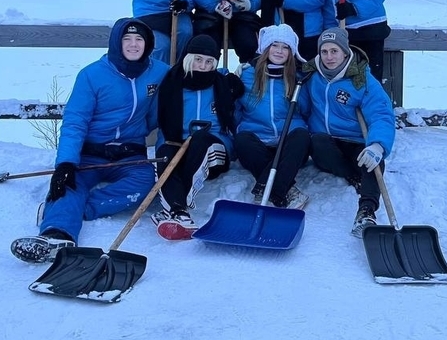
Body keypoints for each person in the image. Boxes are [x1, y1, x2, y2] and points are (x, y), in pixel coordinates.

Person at [11, 18, 169, 263]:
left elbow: (183, 89)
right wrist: (66, 163)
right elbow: (75, 122)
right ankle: (57, 233)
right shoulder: (92, 75)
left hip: (130, 154)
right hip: (90, 152)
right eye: (127, 39)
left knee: (144, 185)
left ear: (148, 44)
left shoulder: (159, 72)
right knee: (69, 184)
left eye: (139, 39)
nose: (134, 44)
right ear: (117, 43)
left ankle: (67, 209)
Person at [300, 27, 395, 237]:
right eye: (324, 51)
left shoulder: (362, 79)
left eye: (334, 51)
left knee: (373, 160)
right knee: (318, 142)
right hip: (327, 145)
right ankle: (353, 175)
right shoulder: (311, 76)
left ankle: (367, 210)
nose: (329, 57)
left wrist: (377, 145)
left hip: (355, 141)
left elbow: (381, 114)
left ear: (345, 52)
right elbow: (301, 108)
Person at [152, 34, 244, 240]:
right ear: (188, 58)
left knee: (201, 139)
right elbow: (163, 124)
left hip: (216, 148)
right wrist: (166, 146)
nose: (203, 66)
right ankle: (176, 211)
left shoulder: (223, 83)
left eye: (209, 61)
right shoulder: (172, 83)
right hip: (180, 145)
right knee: (164, 153)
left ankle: (178, 203)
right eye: (198, 59)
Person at [234, 24, 310, 209]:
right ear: (266, 48)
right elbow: (235, 107)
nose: (279, 51)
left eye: (285, 47)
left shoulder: (298, 78)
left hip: (287, 144)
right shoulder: (246, 74)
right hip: (257, 140)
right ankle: (287, 189)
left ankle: (268, 188)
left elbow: (306, 110)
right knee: (242, 140)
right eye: (275, 45)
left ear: (291, 52)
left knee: (301, 136)